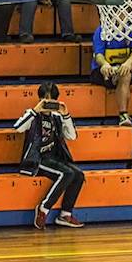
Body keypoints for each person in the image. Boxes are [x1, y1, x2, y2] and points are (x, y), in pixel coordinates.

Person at [14, 82, 84, 230]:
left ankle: (65, 214)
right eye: (45, 101)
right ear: (39, 99)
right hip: (37, 159)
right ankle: (43, 209)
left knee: (78, 174)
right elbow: (18, 128)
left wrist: (65, 115)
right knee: (67, 173)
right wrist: (35, 110)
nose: (48, 105)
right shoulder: (32, 115)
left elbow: (72, 136)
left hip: (54, 158)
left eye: (52, 101)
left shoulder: (57, 117)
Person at [90, 24, 132, 127]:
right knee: (126, 75)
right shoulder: (101, 30)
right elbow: (98, 55)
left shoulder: (130, 29)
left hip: (124, 67)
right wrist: (105, 64)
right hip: (105, 69)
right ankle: (123, 114)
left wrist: (128, 63)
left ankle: (121, 72)